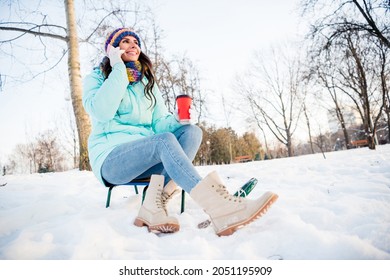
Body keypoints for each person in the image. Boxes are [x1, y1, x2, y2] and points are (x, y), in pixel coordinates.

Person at [83, 28, 278, 236]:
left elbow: (158, 124)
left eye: (136, 42)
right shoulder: (97, 77)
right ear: (112, 49)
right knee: (163, 141)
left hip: (146, 154)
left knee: (192, 132)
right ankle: (218, 206)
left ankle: (154, 204)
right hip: (112, 159)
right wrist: (118, 70)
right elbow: (102, 112)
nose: (133, 45)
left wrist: (177, 119)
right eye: (125, 41)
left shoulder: (146, 82)